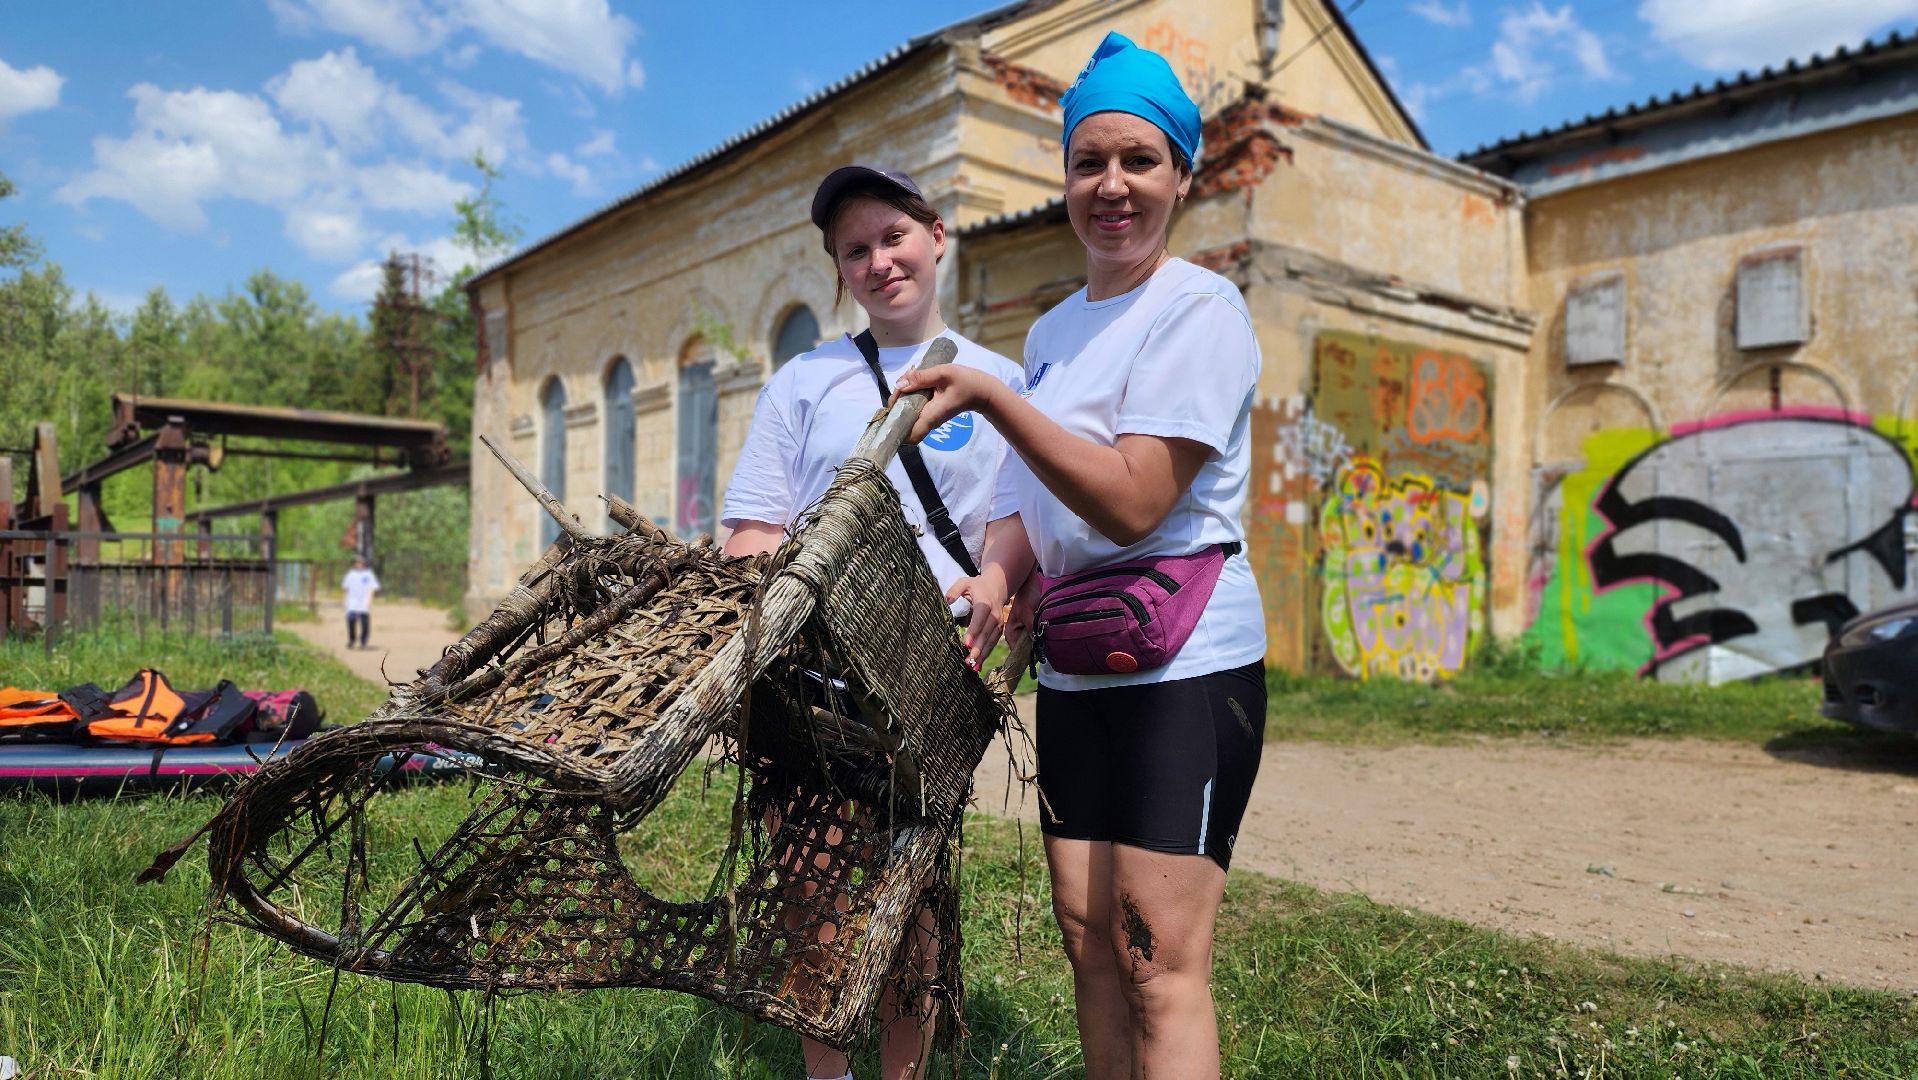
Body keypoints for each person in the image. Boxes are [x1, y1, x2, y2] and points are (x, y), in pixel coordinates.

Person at [895, 32, 1266, 1079]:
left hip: (1182, 662)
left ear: (1182, 176)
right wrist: (997, 576)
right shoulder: (1054, 332)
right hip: (1077, 660)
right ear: (1063, 176)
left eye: (1139, 160)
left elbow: (1137, 500)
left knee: (1157, 956)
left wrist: (996, 398)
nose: (1112, 185)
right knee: (1089, 941)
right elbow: (1027, 502)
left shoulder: (1200, 309)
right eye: (1087, 161)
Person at [720, 163, 1026, 1080]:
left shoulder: (1002, 379)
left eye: (894, 237)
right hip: (813, 670)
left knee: (911, 893)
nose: (880, 261)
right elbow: (753, 531)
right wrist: (782, 614)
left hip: (933, 669)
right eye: (855, 250)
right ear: (839, 269)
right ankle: (827, 1072)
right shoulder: (804, 381)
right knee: (812, 882)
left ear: (936, 237)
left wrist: (998, 582)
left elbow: (1016, 522)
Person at [341, 554, 380, 650]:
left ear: (363, 563)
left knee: (364, 623)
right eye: (357, 562)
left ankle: (363, 640)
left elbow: (372, 588)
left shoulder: (368, 574)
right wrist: (344, 600)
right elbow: (346, 588)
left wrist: (369, 600)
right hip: (352, 601)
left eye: (360, 562)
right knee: (351, 621)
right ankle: (352, 639)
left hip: (363, 601)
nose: (359, 564)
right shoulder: (351, 574)